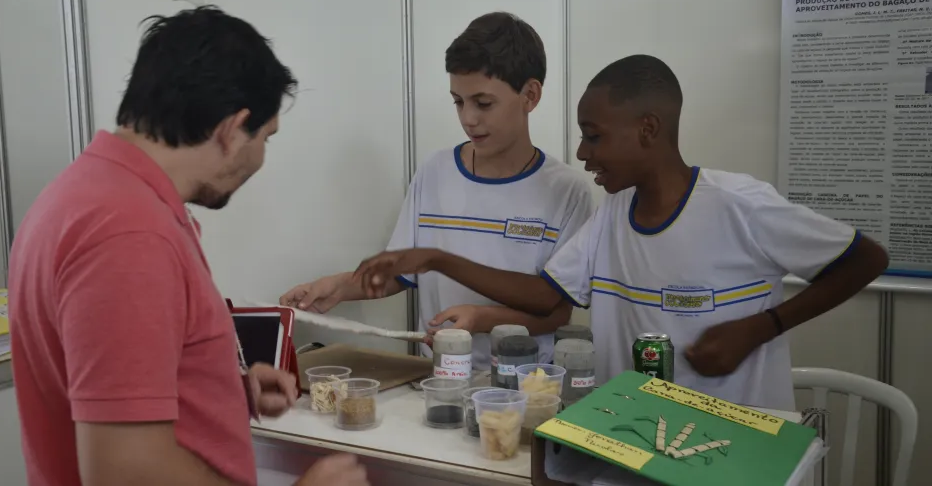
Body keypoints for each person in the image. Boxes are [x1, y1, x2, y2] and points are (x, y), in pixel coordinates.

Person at [352, 54, 890, 411]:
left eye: (594, 137)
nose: (583, 153)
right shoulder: (611, 215)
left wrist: (761, 327)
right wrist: (435, 258)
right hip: (631, 441)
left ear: (648, 129)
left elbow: (866, 259)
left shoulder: (738, 207)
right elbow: (544, 294)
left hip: (734, 449)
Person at [8, 6, 368, 486]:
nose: (262, 156)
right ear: (231, 129)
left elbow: (103, 382)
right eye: (266, 137)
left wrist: (220, 388)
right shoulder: (128, 236)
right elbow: (124, 470)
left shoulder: (81, 196)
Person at [281, 12, 594, 369]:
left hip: (527, 386)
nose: (468, 118)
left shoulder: (566, 191)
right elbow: (400, 273)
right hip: (439, 380)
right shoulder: (435, 172)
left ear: (530, 95)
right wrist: (337, 287)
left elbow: (555, 313)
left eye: (483, 103)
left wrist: (481, 317)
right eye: (458, 102)